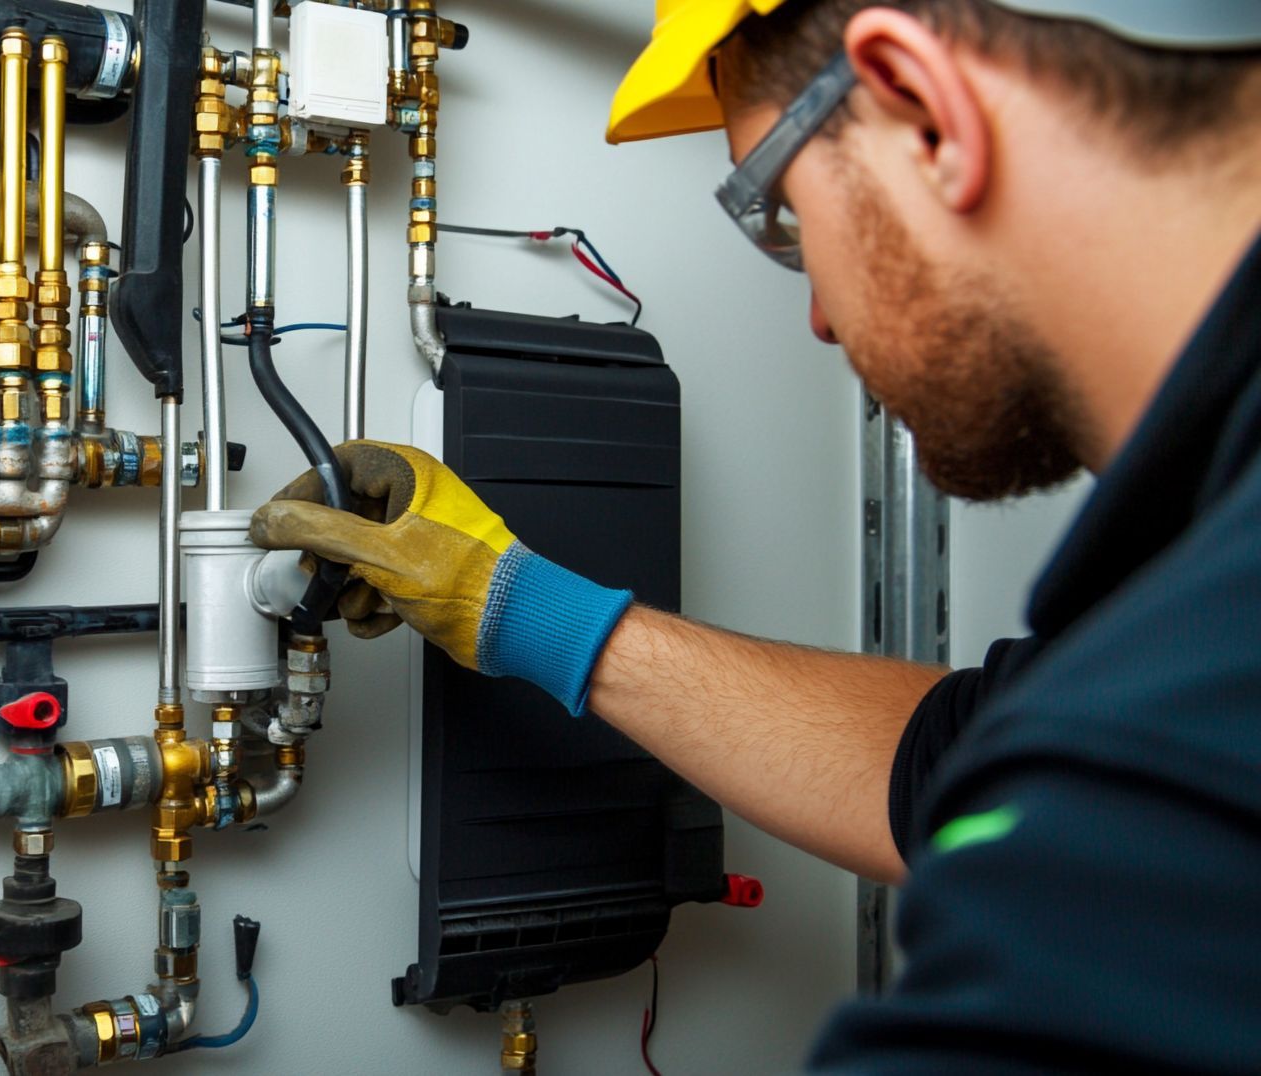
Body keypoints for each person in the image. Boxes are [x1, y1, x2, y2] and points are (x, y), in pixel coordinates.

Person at [250, 0, 1261, 1069]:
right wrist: (509, 600)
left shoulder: (1201, 685)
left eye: (778, 214)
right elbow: (959, 755)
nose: (820, 314)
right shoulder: (1191, 595)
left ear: (924, 114)